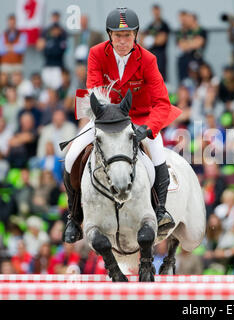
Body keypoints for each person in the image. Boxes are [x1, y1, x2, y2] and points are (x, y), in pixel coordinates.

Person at [62, 7, 182, 243]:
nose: (123, 41)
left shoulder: (148, 59)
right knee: (70, 155)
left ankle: (160, 211)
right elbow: (95, 92)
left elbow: (161, 102)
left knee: (157, 155)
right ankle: (74, 216)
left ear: (135, 35)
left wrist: (147, 129)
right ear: (109, 35)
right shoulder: (96, 53)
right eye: (118, 35)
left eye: (128, 36)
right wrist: (106, 121)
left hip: (139, 118)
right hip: (105, 119)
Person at [36, 11, 67, 90]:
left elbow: (59, 52)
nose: (55, 31)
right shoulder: (46, 33)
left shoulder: (63, 34)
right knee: (47, 88)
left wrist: (50, 48)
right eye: (53, 30)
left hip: (57, 66)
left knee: (57, 87)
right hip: (47, 65)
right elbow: (40, 47)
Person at [141, 4, 170, 81]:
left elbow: (161, 40)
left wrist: (150, 40)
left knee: (160, 77)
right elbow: (142, 40)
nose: (155, 13)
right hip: (151, 55)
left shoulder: (164, 25)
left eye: (157, 11)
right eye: (154, 11)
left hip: (160, 55)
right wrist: (151, 40)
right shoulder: (150, 26)